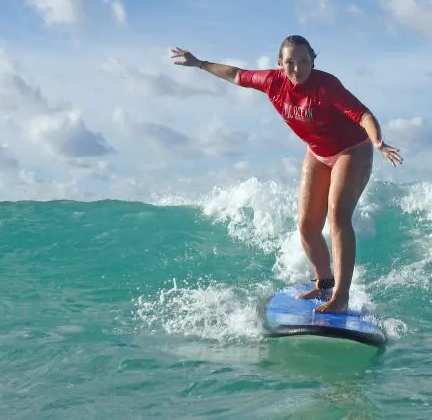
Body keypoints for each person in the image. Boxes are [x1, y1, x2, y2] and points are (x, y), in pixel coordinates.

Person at [171, 35, 402, 313]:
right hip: (317, 152)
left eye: (304, 61)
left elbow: (363, 115)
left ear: (312, 61)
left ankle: (341, 296)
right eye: (290, 62)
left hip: (351, 150)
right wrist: (198, 64)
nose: (297, 69)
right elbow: (236, 75)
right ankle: (324, 282)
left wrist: (377, 142)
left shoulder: (327, 85)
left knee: (337, 216)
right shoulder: (272, 82)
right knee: (306, 226)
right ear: (280, 63)